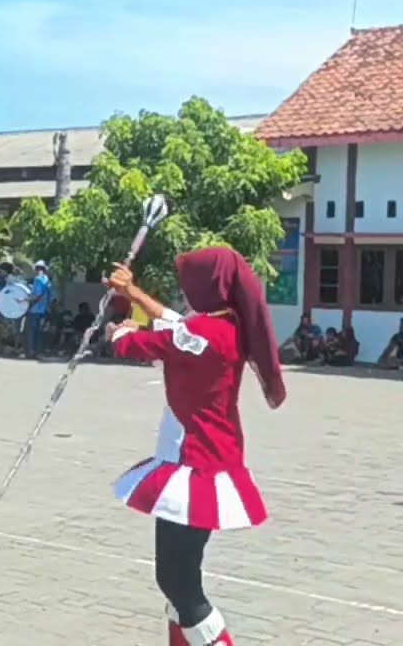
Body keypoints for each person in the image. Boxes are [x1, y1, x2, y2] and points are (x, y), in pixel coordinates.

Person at [104, 247, 285, 646]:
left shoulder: (199, 335)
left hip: (194, 463)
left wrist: (118, 329)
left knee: (178, 582)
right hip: (210, 458)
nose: (184, 290)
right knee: (180, 578)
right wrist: (132, 292)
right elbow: (176, 323)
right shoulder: (227, 325)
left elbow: (134, 344)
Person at [23, 260, 53, 358]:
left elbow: (37, 295)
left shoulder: (38, 279)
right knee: (39, 332)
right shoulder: (47, 280)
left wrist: (25, 300)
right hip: (43, 310)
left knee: (31, 332)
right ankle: (38, 352)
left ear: (36, 269)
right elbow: (51, 296)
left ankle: (31, 352)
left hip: (35, 309)